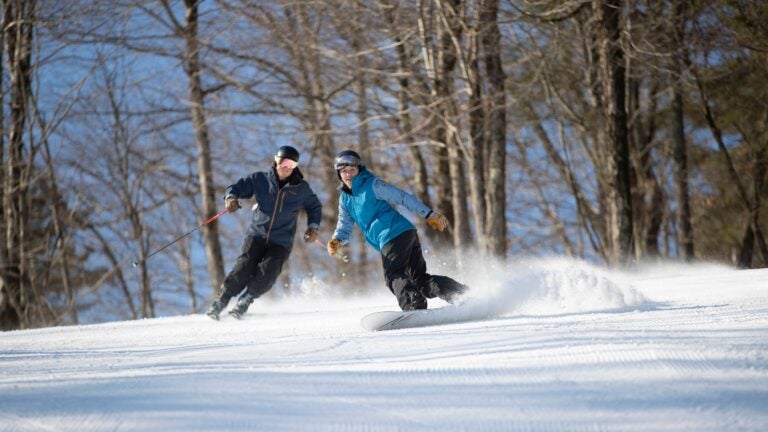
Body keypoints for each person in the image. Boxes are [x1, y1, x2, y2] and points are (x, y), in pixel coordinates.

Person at [326, 150, 468, 311]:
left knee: (393, 275)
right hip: (404, 234)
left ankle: (414, 305)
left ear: (360, 169)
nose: (348, 175)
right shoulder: (345, 198)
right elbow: (345, 223)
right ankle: (460, 293)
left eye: (352, 170)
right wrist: (337, 239)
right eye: (344, 171)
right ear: (338, 174)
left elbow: (401, 197)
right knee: (419, 279)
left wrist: (428, 214)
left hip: (392, 234)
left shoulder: (372, 185)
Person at [207, 145, 322, 320]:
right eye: (283, 162)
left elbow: (314, 207)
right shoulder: (260, 179)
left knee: (269, 271)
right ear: (276, 161)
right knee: (244, 267)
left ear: (295, 166)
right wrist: (231, 198)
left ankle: (245, 300)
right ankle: (221, 301)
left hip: (282, 241)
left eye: (291, 164)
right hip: (257, 235)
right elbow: (236, 188)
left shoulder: (301, 189)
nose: (286, 167)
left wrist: (313, 227)